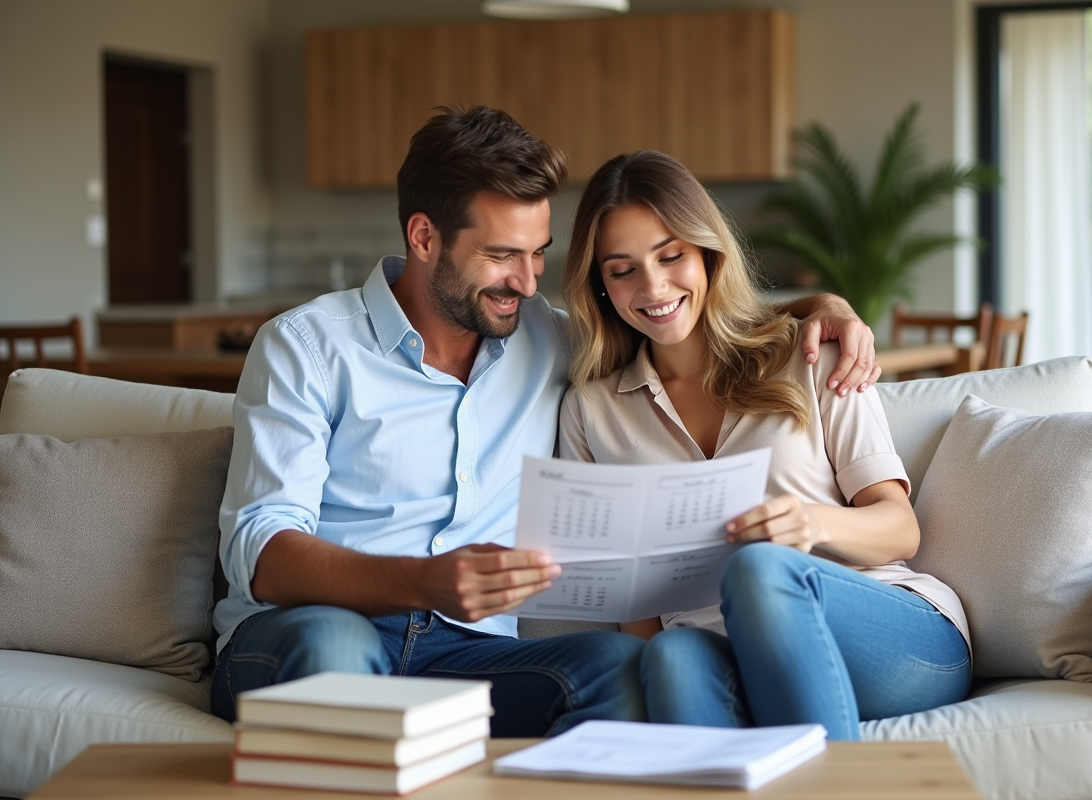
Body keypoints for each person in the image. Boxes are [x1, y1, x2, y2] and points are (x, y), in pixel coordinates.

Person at [210, 107, 881, 736]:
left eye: (539, 254)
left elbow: (679, 312)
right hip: (312, 631)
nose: (529, 282)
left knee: (623, 668)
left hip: (471, 654)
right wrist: (422, 581)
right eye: (503, 255)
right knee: (335, 647)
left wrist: (823, 307)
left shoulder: (549, 340)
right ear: (423, 237)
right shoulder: (305, 347)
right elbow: (259, 550)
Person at [557, 149, 971, 740]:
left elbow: (899, 529)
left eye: (671, 256)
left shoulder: (810, 355)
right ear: (600, 284)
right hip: (721, 651)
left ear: (707, 254)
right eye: (622, 270)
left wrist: (810, 524)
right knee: (669, 660)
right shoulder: (590, 411)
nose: (652, 286)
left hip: (889, 633)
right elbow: (631, 603)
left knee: (759, 570)